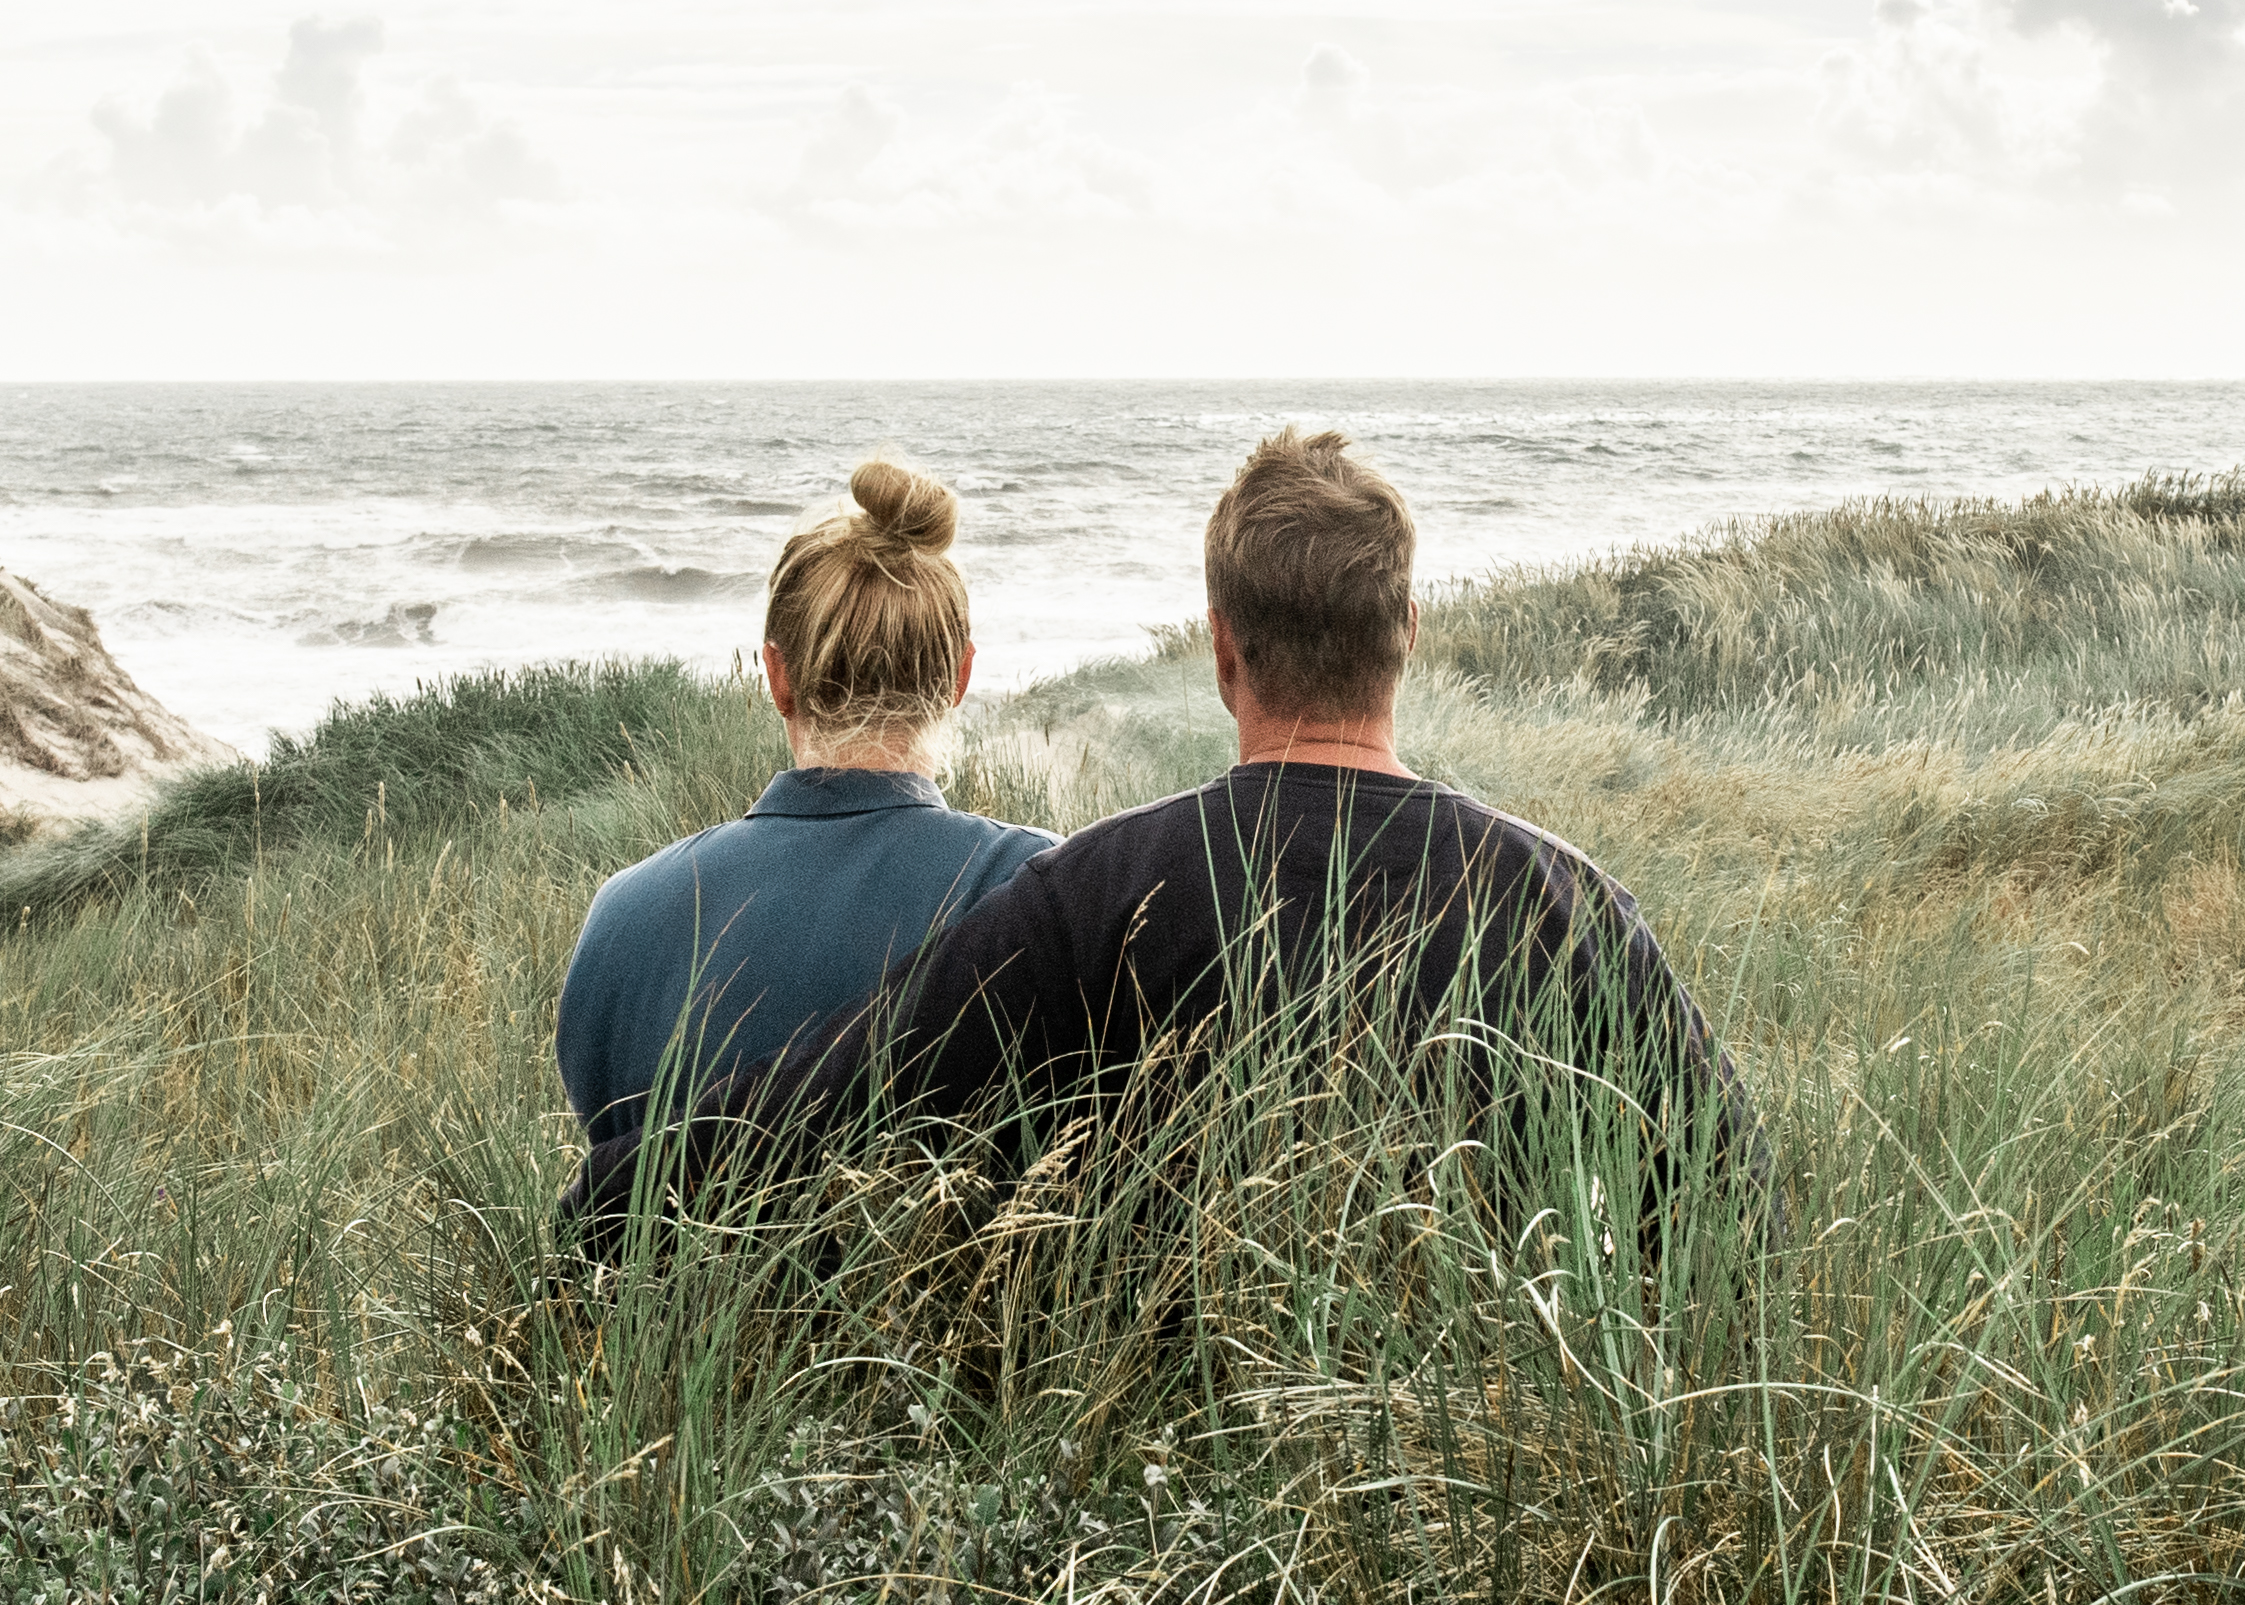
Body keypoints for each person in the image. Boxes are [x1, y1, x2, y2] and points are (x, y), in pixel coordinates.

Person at [613, 424, 1748, 1236]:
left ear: (1220, 649)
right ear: (1406, 629)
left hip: (1178, 1492)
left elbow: (840, 1096)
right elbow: (1728, 1203)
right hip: (1494, 1484)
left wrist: (601, 1203)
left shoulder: (1104, 890)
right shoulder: (1567, 900)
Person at [553, 457, 1054, 1211]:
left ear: (776, 677)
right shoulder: (1034, 886)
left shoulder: (622, 913)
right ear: (958, 677)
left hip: (673, 1325)